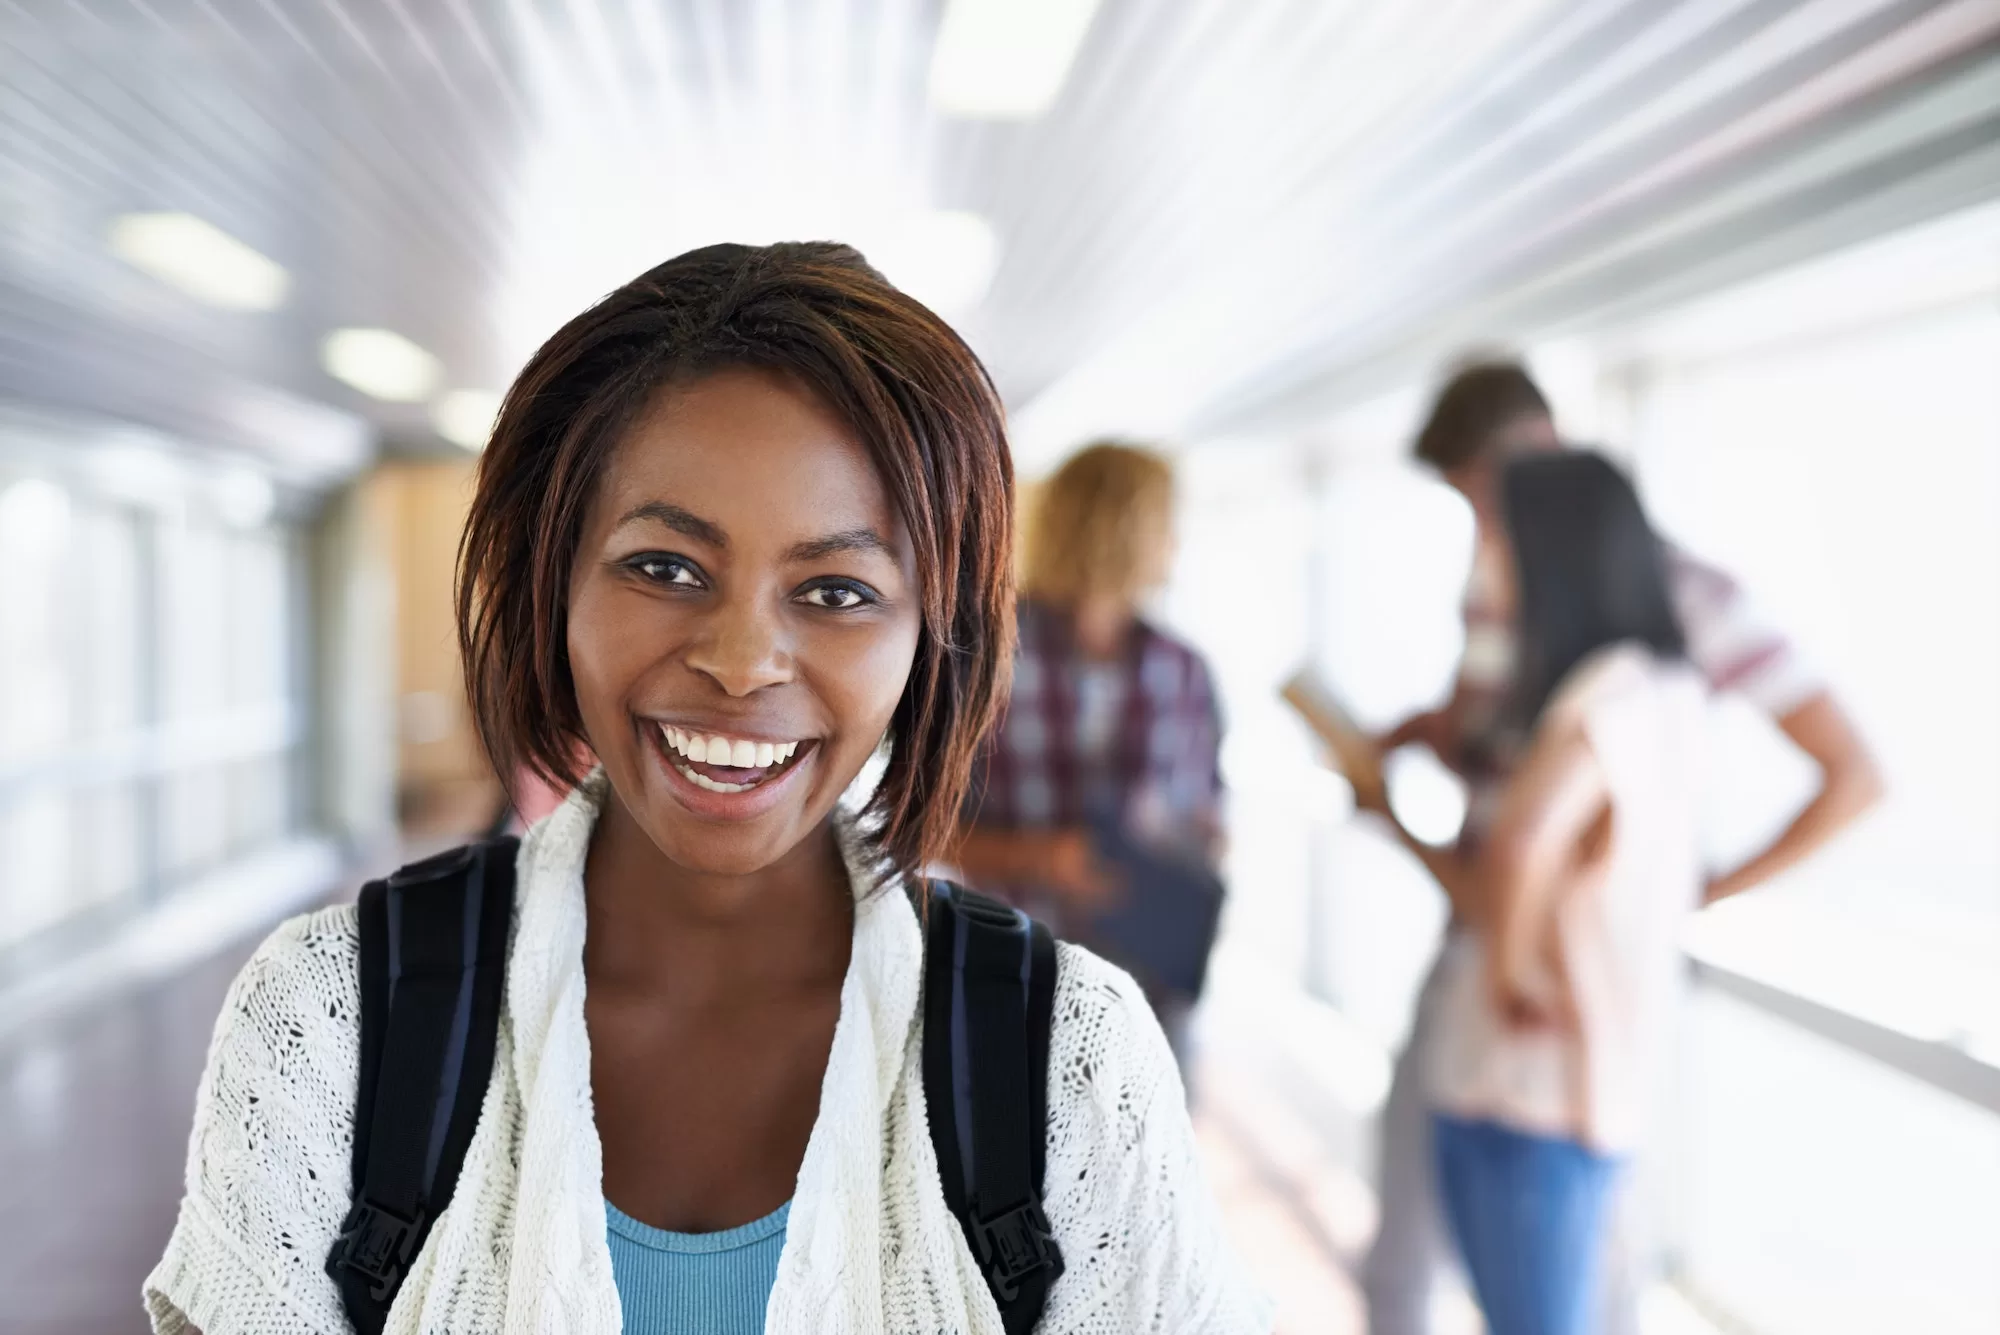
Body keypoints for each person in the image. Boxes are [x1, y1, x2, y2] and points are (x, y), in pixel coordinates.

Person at [144, 244, 1270, 1335]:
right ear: (554, 585)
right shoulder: (331, 1023)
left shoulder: (1069, 1061)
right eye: (664, 568)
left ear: (935, 639)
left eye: (835, 590)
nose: (741, 662)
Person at [1360, 361, 1882, 1335]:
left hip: (1545, 1024)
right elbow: (1503, 785)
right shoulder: (1582, 655)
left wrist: (1678, 897)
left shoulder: (1642, 662)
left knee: (1553, 1288)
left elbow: (1519, 851)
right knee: (1453, 1269)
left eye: (1490, 499)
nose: (1486, 528)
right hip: (1507, 994)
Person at [1363, 451, 1707, 1335]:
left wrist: (1512, 972)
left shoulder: (1602, 696)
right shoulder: (1669, 687)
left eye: (1501, 545)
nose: (1490, 569)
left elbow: (1515, 850)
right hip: (1589, 1079)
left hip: (1525, 1083)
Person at [952, 442, 1225, 1069]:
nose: (1176, 542)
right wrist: (1043, 858)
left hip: (1150, 986)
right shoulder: (984, 656)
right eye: (1166, 523)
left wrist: (1189, 854)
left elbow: (1209, 816)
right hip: (1017, 979)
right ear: (1125, 526)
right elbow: (923, 830)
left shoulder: (1185, 672)